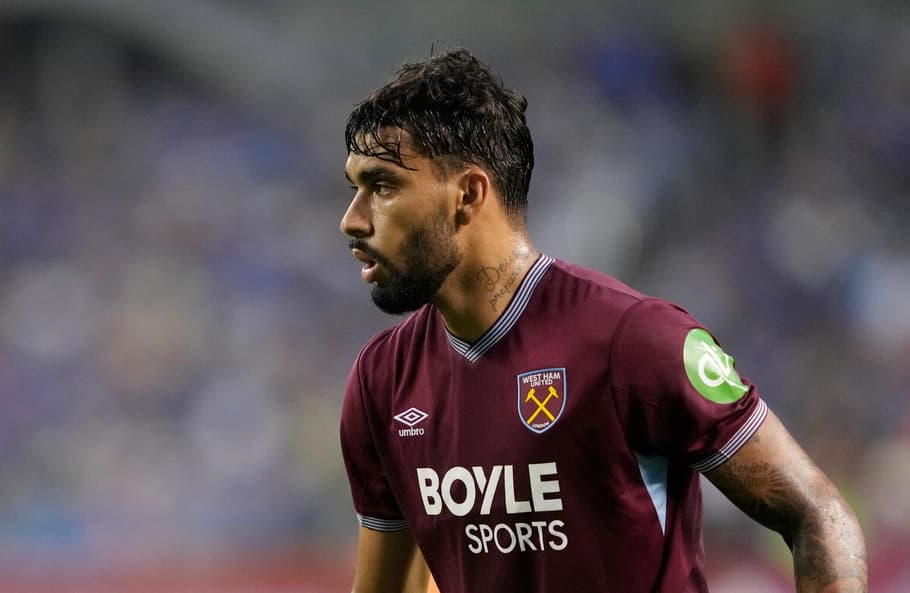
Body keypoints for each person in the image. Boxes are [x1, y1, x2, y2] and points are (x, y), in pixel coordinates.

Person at [337, 49, 866, 593]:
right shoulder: (383, 381)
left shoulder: (635, 341)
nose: (351, 220)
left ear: (468, 194)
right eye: (356, 189)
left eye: (383, 187)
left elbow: (817, 514)